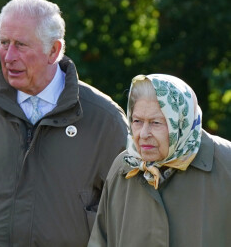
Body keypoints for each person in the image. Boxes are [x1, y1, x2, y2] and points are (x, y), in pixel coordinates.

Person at [0, 0, 128, 247]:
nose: (9, 56)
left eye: (21, 44)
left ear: (53, 50)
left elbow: (127, 201)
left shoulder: (104, 118)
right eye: (3, 42)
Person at [88, 74, 231, 247]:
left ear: (181, 122)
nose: (143, 134)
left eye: (156, 123)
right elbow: (101, 240)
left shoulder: (225, 162)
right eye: (137, 121)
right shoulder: (124, 166)